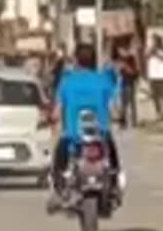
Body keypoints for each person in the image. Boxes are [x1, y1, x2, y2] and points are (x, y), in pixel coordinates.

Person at [49, 42, 123, 210]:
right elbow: (114, 109)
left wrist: (52, 118)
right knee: (113, 159)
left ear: (76, 61)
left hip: (72, 135)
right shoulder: (104, 81)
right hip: (100, 134)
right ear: (94, 60)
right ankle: (114, 186)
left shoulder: (67, 82)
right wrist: (119, 117)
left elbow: (57, 111)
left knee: (59, 160)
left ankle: (59, 191)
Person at [116, 43, 140, 129]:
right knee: (124, 103)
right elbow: (118, 72)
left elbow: (135, 72)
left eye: (121, 50)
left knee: (131, 103)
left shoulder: (131, 59)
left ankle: (133, 121)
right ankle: (124, 122)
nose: (120, 52)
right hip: (124, 82)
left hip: (130, 82)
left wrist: (126, 67)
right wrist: (120, 68)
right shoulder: (121, 60)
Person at [146, 34, 163, 121]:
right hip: (153, 76)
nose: (153, 43)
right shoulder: (149, 50)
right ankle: (158, 112)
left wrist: (156, 54)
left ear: (158, 42)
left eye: (154, 41)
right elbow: (145, 57)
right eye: (152, 41)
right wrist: (150, 52)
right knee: (155, 96)